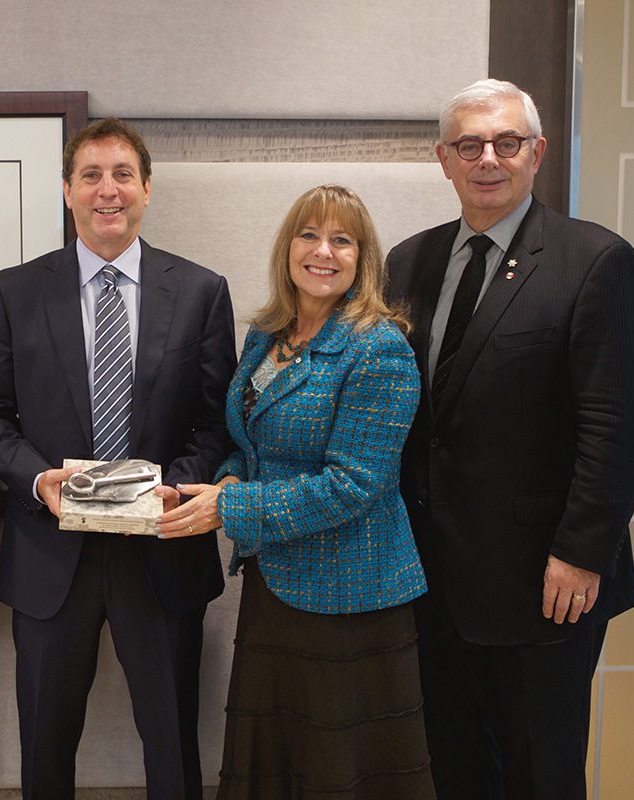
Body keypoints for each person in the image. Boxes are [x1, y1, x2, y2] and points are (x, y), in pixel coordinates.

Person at [385, 79, 634, 799]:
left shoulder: (595, 262)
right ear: (443, 158)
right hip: (430, 579)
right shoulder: (407, 264)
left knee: (541, 773)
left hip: (546, 584)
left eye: (507, 143)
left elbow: (619, 426)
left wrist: (580, 550)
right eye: (469, 145)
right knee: (454, 769)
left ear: (536, 153)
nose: (489, 159)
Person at [0, 117, 236, 799]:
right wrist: (37, 480)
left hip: (163, 550)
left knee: (174, 747)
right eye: (91, 175)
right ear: (67, 190)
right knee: (46, 748)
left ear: (147, 189)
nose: (107, 190)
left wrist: (171, 490)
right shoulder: (14, 291)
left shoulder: (202, 292)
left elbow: (216, 421)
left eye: (122, 175)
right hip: (51, 553)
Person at [159, 184, 436, 798]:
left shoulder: (380, 348)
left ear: (363, 259)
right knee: (278, 761)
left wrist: (227, 505)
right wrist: (227, 474)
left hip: (352, 597)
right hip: (275, 584)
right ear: (289, 248)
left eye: (343, 240)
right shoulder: (269, 334)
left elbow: (354, 485)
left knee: (339, 769)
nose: (324, 251)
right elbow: (250, 441)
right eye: (310, 235)